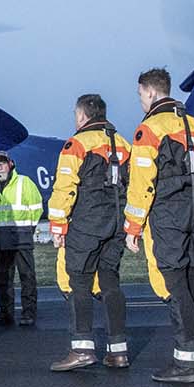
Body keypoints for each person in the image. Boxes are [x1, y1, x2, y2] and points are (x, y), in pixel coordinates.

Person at [124, 70, 194, 383]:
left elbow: (142, 184)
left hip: (168, 218)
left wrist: (133, 226)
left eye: (140, 95)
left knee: (177, 289)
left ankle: (186, 363)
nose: (141, 101)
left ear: (151, 92)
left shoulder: (149, 129)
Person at [48, 95, 131, 371]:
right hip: (116, 222)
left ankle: (82, 349)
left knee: (79, 283)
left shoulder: (77, 144)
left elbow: (65, 187)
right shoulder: (123, 144)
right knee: (110, 283)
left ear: (83, 116)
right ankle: (118, 351)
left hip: (87, 222)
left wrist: (58, 225)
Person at [0, 151, 44, 328]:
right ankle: (5, 314)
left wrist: (28, 229)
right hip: (1, 239)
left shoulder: (24, 182)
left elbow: (37, 207)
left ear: (10, 165)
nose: (0, 167)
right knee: (3, 279)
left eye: (3, 164)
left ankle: (29, 313)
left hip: (21, 237)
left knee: (27, 276)